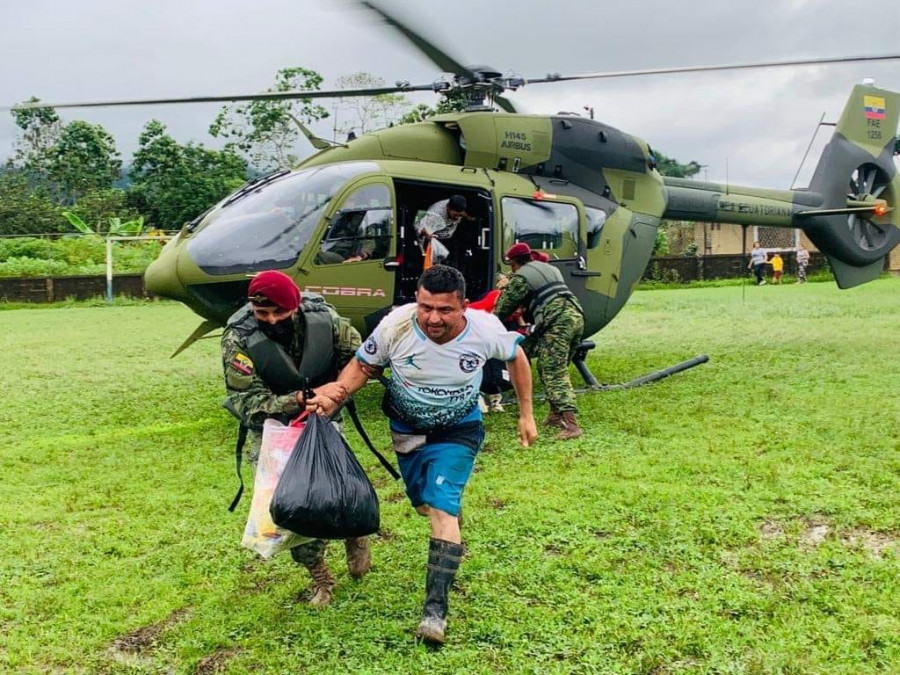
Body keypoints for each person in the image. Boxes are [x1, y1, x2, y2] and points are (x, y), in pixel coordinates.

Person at [306, 265, 537, 645]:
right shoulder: (395, 325)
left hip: (458, 428)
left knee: (441, 508)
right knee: (423, 504)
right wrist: (337, 394)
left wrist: (526, 414)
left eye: (444, 310)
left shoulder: (485, 329)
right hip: (407, 428)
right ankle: (448, 512)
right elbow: (364, 365)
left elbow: (517, 357)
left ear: (463, 306)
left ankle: (435, 613)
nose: (432, 318)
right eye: (425, 307)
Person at [221, 270, 368, 607]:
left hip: (324, 413)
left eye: (280, 313)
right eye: (262, 314)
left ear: (296, 306)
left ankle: (354, 529)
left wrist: (335, 392)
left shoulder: (326, 319)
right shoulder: (238, 338)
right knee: (287, 503)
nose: (271, 321)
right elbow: (246, 403)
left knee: (334, 488)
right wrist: (296, 400)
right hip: (272, 425)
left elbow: (361, 361)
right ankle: (319, 575)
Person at [493, 242, 585, 441]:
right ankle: (554, 415)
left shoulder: (522, 276)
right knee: (552, 366)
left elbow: (502, 308)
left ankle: (571, 425)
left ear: (515, 263)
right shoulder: (549, 268)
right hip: (575, 316)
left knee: (553, 370)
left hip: (557, 321)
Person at [417, 195, 470, 267]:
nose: (457, 217)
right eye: (455, 215)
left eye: (460, 215)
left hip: (448, 235)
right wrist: (427, 234)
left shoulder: (457, 206)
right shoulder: (435, 214)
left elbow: (463, 214)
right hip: (432, 238)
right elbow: (420, 227)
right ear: (448, 208)